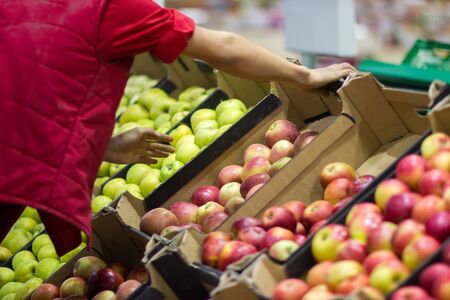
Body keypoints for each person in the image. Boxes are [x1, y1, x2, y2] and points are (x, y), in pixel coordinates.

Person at [0, 0, 356, 254]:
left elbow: (24, 96)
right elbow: (224, 49)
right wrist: (305, 74)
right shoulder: (108, 8)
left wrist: (100, 146)